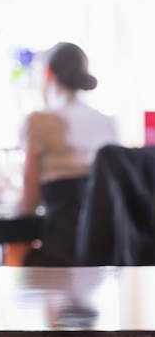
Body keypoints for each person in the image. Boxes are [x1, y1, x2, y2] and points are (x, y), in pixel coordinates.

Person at [15, 41, 119, 267]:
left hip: (60, 254)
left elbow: (29, 204)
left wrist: (6, 194)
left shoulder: (41, 121)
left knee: (16, 252)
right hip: (109, 255)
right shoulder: (110, 124)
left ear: (48, 72)